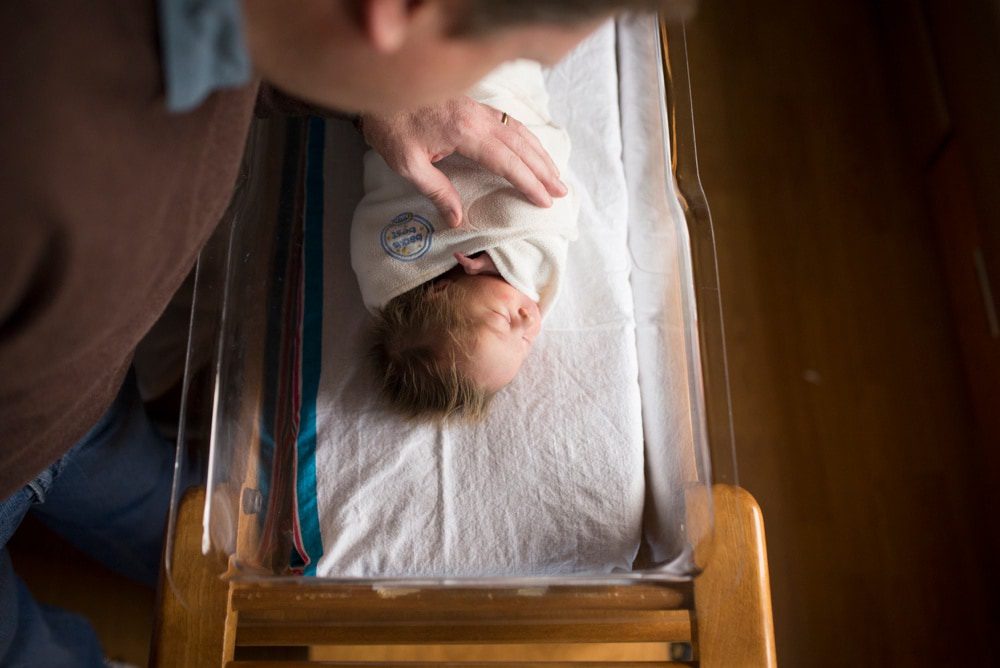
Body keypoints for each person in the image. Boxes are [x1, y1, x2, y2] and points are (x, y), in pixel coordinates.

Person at [0, 0, 676, 663]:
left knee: (204, 549)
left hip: (80, 407)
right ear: (394, 15)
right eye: (494, 60)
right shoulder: (44, 174)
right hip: (23, 432)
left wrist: (378, 103)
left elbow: (256, 61)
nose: (497, 91)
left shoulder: (228, 40)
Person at [354, 60, 579, 418]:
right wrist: (509, 261)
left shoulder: (389, 269)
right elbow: (551, 215)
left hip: (427, 92)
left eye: (505, 321)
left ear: (440, 291)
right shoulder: (525, 263)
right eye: (524, 345)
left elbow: (376, 218)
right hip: (500, 90)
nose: (530, 321)